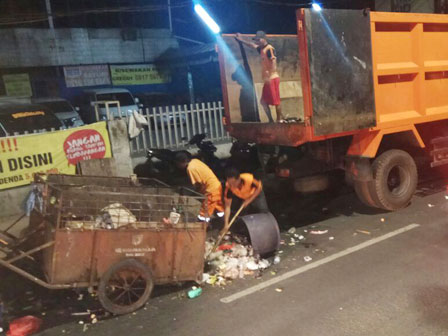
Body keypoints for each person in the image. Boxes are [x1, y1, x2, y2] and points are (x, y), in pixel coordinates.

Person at [235, 31, 285, 123]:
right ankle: (271, 120)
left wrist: (270, 74)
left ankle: (279, 120)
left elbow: (273, 62)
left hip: (272, 78)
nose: (257, 41)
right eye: (256, 40)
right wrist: (241, 40)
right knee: (263, 101)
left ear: (263, 39)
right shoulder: (262, 49)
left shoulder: (269, 48)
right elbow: (252, 45)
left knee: (276, 101)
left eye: (258, 39)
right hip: (268, 79)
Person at [175, 152, 224, 222]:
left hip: (211, 190)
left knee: (204, 213)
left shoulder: (190, 169)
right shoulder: (195, 161)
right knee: (219, 208)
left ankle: (202, 227)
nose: (177, 166)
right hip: (217, 186)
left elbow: (197, 184)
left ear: (181, 162)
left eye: (177, 164)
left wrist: (188, 193)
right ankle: (222, 223)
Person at [222, 167, 269, 234]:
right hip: (244, 196)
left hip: (255, 193)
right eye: (230, 183)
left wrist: (249, 200)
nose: (231, 185)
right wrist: (226, 224)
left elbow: (259, 188)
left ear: (238, 179)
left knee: (262, 210)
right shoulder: (229, 187)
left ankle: (267, 228)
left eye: (233, 183)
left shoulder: (249, 179)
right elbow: (227, 207)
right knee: (243, 214)